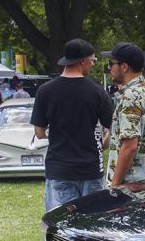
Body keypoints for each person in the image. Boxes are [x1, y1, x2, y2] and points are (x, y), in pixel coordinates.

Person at [31, 38, 114, 212]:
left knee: (61, 224)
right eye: (92, 60)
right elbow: (114, 128)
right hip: (91, 168)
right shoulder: (97, 91)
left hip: (59, 168)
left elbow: (39, 132)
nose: (92, 64)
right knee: (92, 224)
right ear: (82, 61)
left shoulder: (45, 91)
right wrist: (102, 144)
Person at [102, 42, 145, 187]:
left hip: (133, 186)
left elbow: (130, 146)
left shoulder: (130, 96)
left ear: (124, 67)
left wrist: (115, 186)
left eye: (111, 63)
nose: (109, 68)